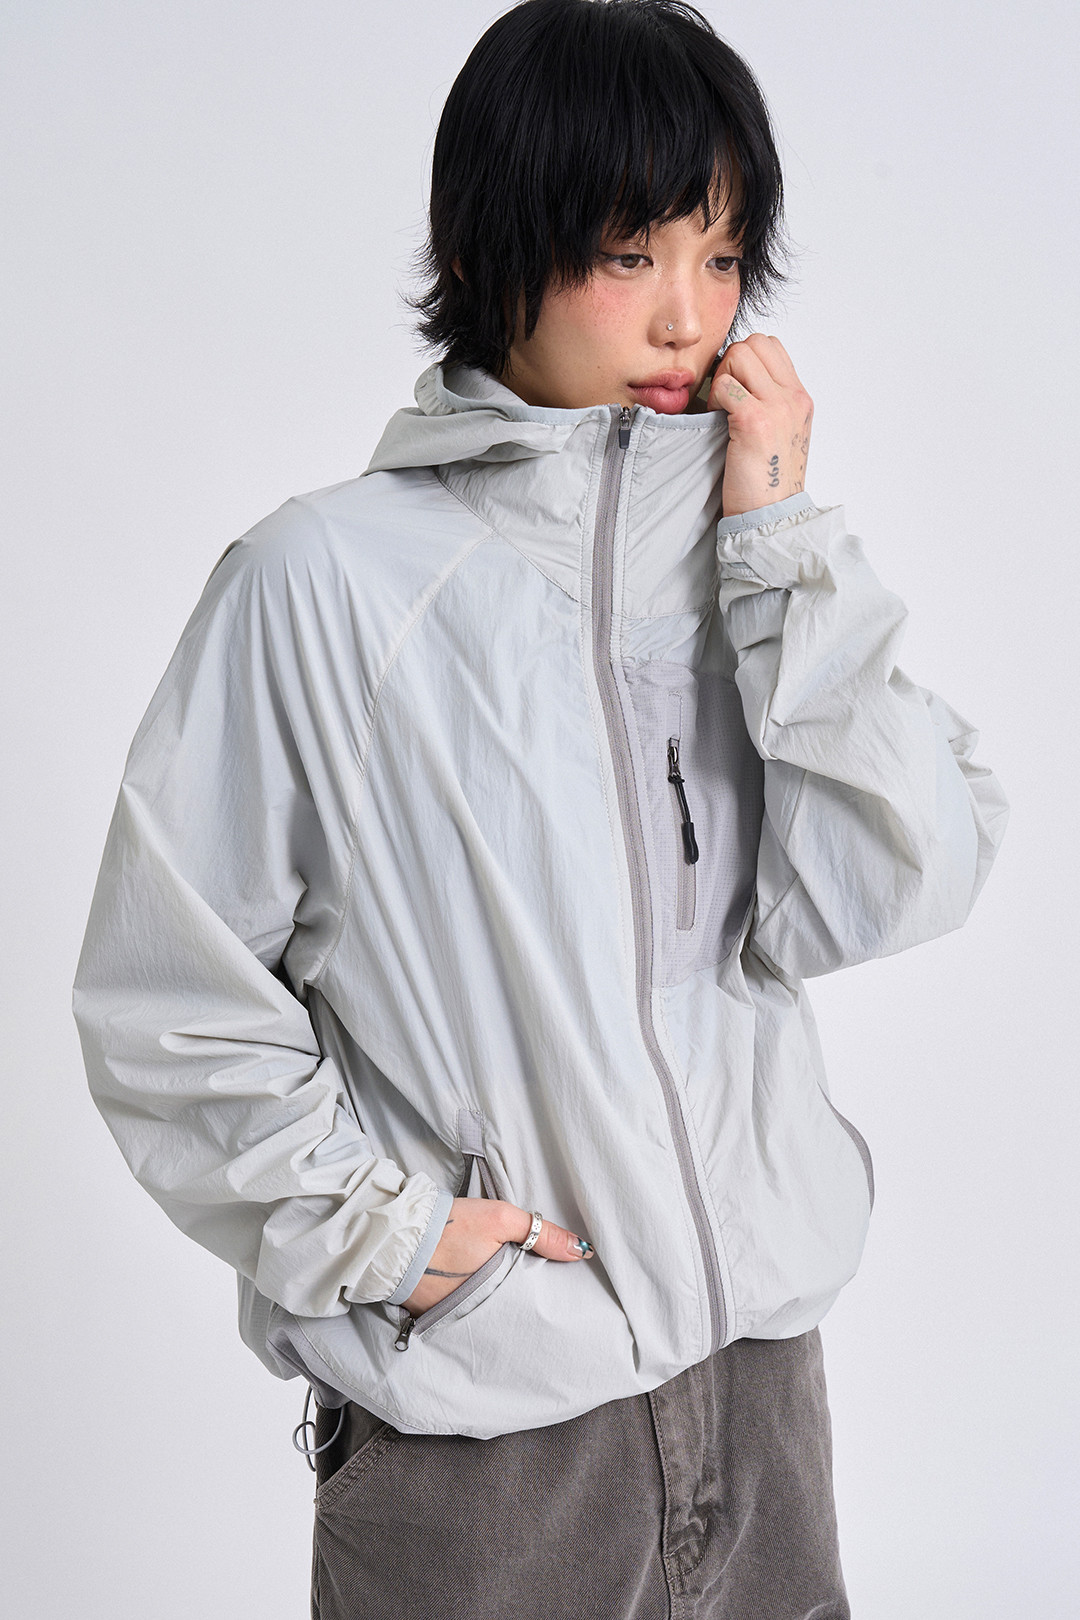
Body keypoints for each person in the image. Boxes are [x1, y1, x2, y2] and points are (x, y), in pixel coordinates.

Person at [72, 2, 1010, 1616]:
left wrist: (780, 548)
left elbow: (897, 880)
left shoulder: (752, 563)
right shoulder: (324, 585)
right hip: (493, 1441)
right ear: (490, 245)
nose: (687, 315)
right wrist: (387, 1240)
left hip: (764, 1392)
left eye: (722, 257)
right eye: (630, 253)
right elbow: (167, 997)